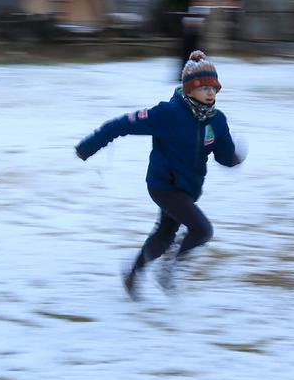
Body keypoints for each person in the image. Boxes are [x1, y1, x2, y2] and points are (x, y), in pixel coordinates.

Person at [75, 51, 245, 300]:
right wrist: (89, 146)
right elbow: (121, 124)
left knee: (164, 236)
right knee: (202, 230)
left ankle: (133, 273)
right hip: (164, 185)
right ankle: (169, 270)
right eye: (203, 87)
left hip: (188, 189)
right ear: (188, 89)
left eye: (214, 88)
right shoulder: (167, 114)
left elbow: (223, 155)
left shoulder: (217, 121)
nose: (210, 93)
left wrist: (234, 157)